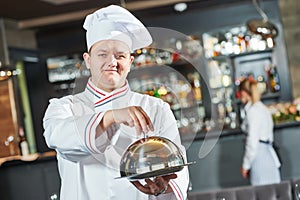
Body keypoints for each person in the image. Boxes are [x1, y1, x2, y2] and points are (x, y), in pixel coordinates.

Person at [43, 4, 189, 200]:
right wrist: (110, 117)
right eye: (102, 54)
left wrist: (164, 187)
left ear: (130, 62)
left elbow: (176, 169)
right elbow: (59, 138)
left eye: (120, 55)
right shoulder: (63, 108)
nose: (112, 62)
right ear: (88, 60)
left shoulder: (157, 108)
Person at [239, 77, 281, 185]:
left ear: (243, 93)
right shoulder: (262, 108)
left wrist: (245, 165)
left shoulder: (253, 111)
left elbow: (252, 142)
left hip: (259, 158)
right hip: (269, 156)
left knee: (261, 193)